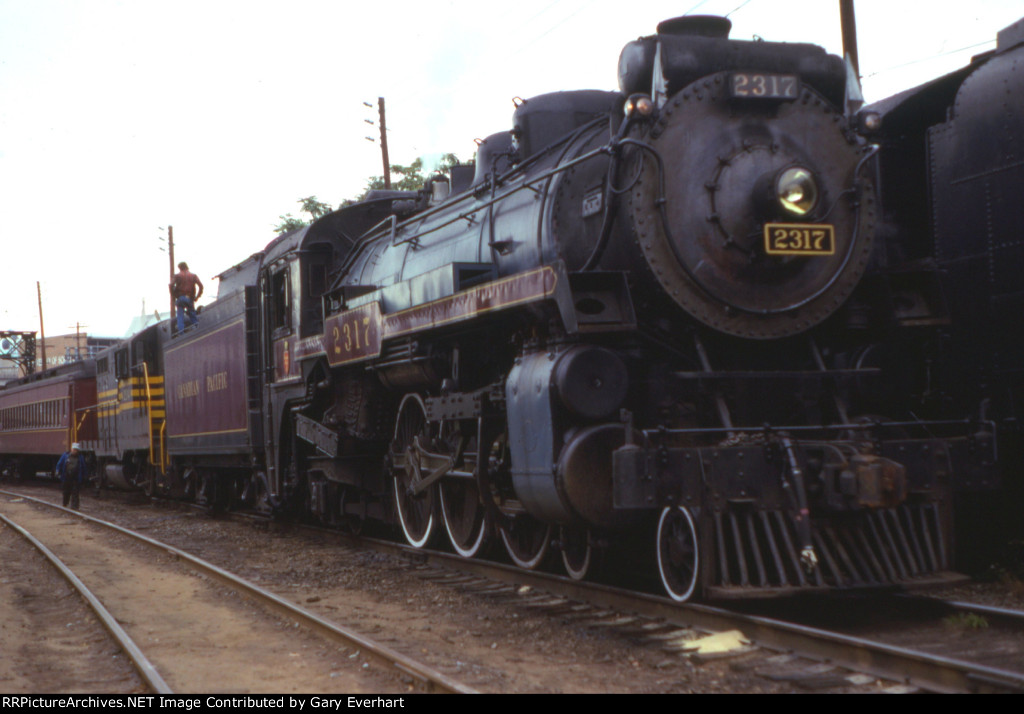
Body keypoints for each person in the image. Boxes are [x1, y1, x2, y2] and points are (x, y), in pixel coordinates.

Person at [171, 261, 204, 332]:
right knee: (193, 315)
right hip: (190, 298)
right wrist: (197, 297)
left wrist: (173, 295)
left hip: (180, 298)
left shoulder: (177, 276)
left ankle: (181, 332)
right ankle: (196, 328)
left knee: (180, 316)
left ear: (180, 268)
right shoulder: (193, 276)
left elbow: (171, 285)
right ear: (186, 267)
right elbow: (201, 286)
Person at [56, 443, 88, 510]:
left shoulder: (80, 457)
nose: (75, 451)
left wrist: (85, 476)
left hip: (76, 477)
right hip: (66, 477)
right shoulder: (65, 455)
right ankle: (65, 503)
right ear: (71, 449)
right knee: (66, 491)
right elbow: (60, 463)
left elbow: (83, 467)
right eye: (74, 449)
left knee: (75, 492)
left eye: (76, 450)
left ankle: (75, 507)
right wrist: (57, 471)